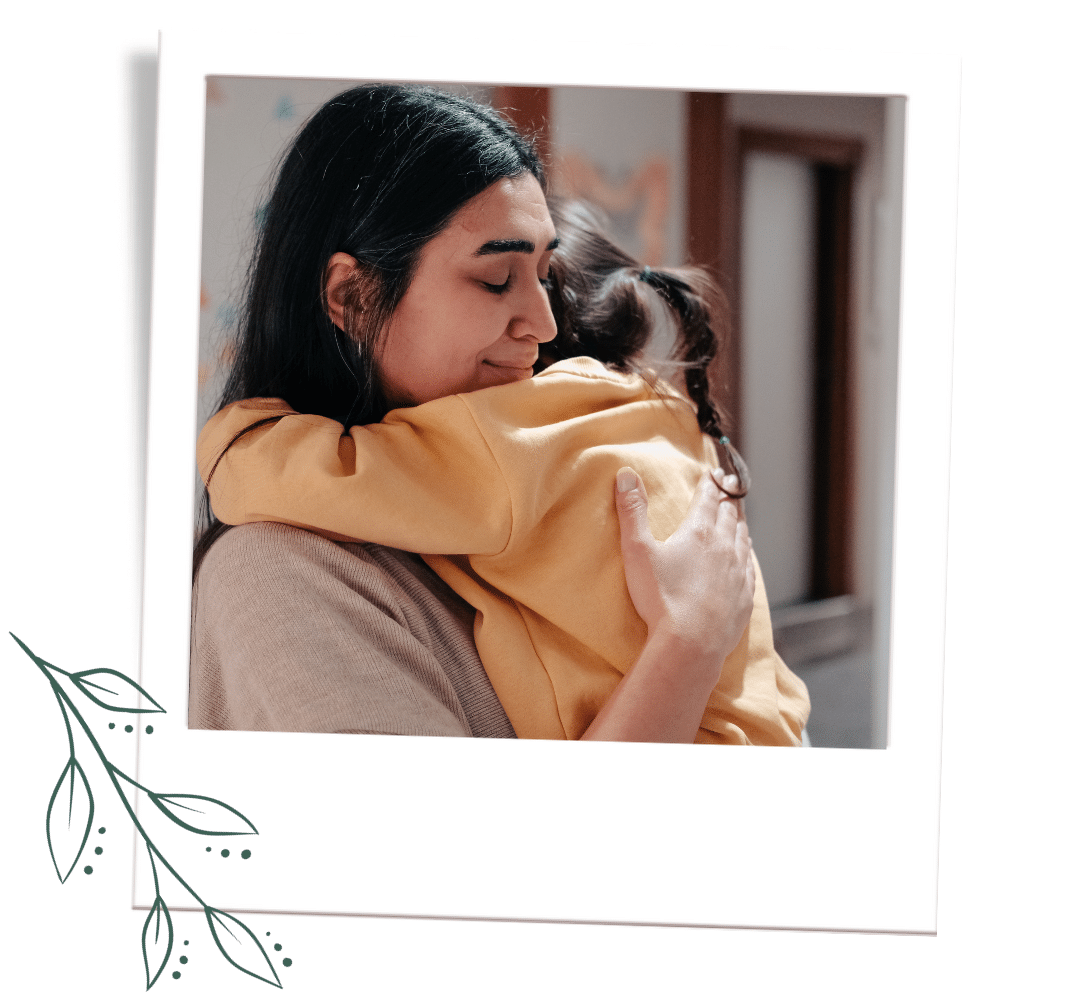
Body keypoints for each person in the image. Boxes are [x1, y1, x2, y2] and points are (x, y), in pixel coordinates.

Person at [190, 83, 808, 744]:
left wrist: (239, 442)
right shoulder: (283, 573)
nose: (543, 324)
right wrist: (688, 641)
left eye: (545, 275)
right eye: (495, 280)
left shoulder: (511, 443)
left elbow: (288, 472)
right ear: (351, 297)